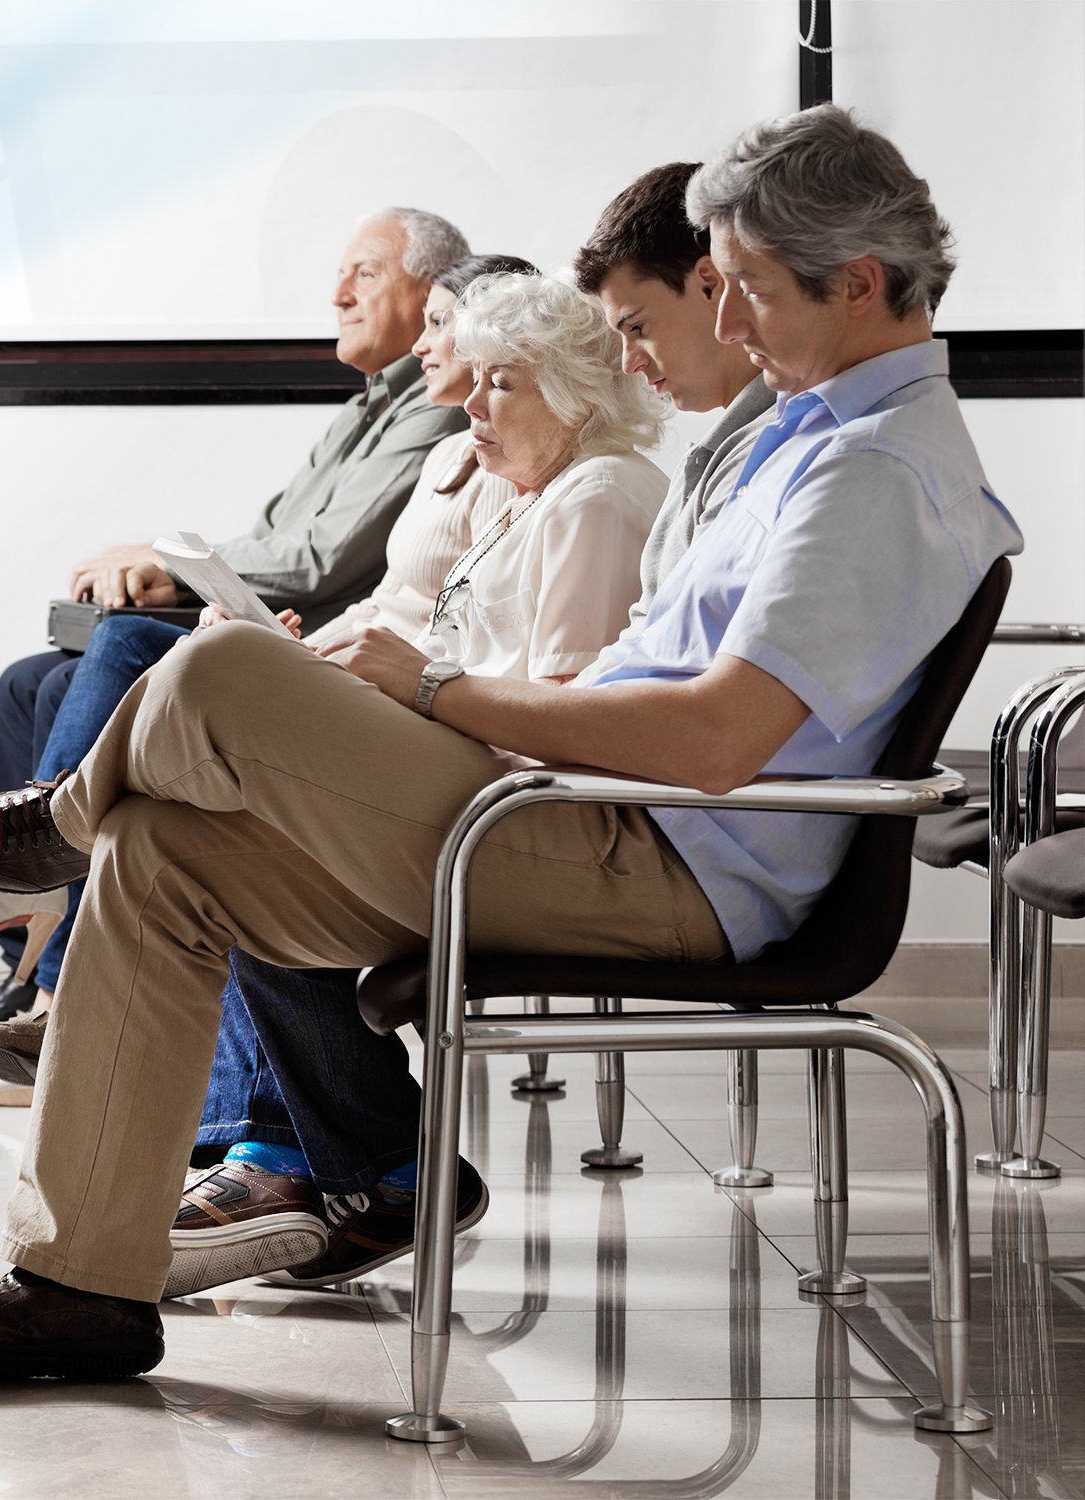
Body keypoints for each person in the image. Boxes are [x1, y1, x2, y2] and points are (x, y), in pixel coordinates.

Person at [0, 104, 1020, 1384]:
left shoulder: (872, 474)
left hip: (657, 865)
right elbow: (671, 683)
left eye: (744, 291)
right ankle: (76, 1282)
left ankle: (53, 830)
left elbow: (712, 738)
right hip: (581, 814)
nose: (727, 323)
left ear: (855, 284)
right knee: (162, 847)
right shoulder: (788, 444)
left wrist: (441, 691)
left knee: (221, 669)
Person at [180, 162, 784, 1293]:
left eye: (496, 383)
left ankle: (330, 1155)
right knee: (220, 767)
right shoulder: (529, 493)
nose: (466, 406)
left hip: (542, 804)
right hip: (495, 774)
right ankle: (306, 1153)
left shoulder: (601, 496)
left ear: (568, 387)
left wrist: (397, 696)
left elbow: (561, 714)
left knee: (230, 785)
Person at [0, 254, 536, 1082]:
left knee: (128, 667)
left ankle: (54, 941)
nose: (340, 297)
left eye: (439, 322)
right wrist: (281, 629)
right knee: (50, 673)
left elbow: (389, 592)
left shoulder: (480, 454)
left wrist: (258, 616)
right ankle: (45, 966)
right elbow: (383, 590)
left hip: (400, 698)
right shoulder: (428, 442)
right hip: (352, 654)